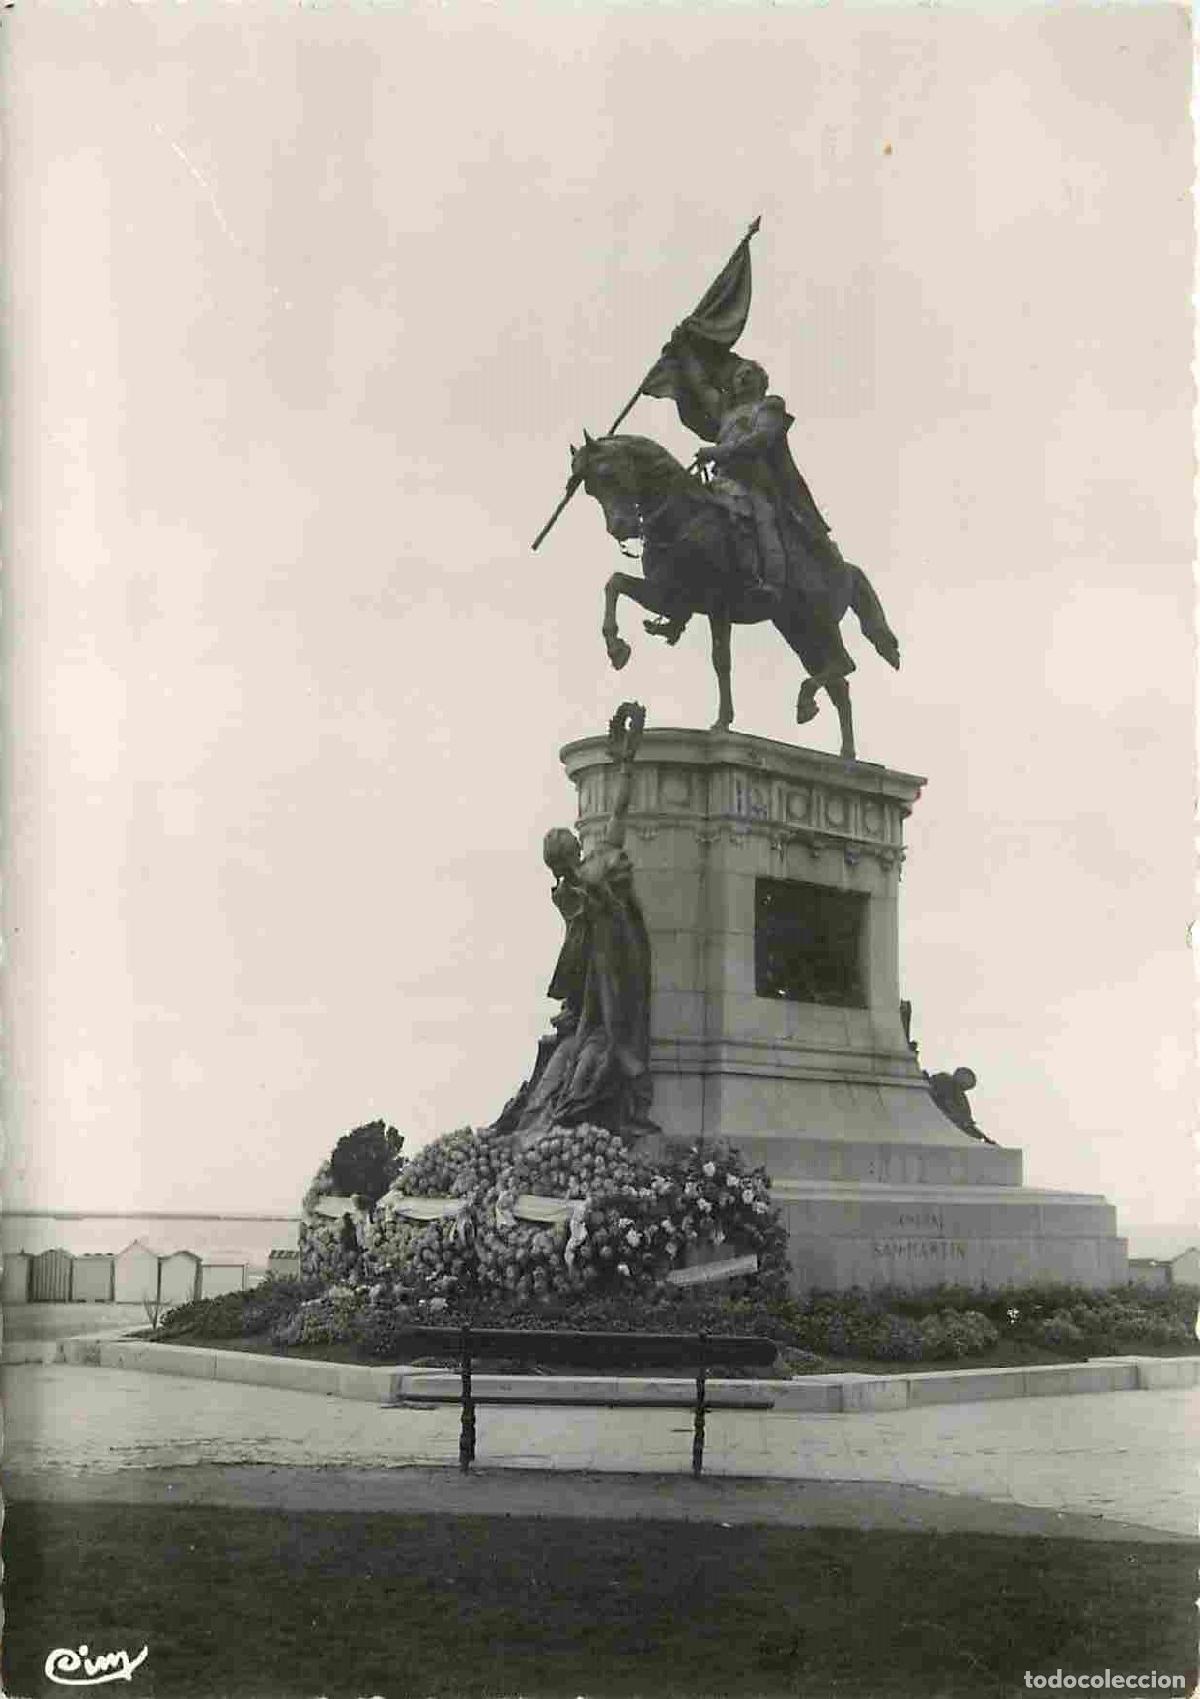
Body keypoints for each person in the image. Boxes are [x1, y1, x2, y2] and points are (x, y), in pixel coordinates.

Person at [512, 702, 657, 1147]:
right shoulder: (585, 879)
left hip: (611, 969)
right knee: (604, 1042)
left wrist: (626, 763)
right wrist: (627, 764)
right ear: (573, 850)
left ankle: (577, 1110)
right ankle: (579, 1113)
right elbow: (618, 813)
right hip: (609, 971)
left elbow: (616, 815)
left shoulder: (577, 882)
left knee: (605, 1040)